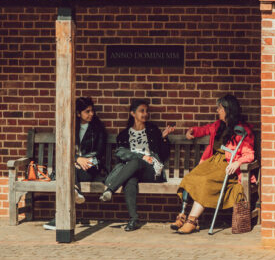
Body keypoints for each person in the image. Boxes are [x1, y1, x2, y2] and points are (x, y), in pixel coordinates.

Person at [171, 94, 254, 234]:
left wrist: (237, 163)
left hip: (227, 165)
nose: (217, 111)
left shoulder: (242, 130)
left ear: (228, 110)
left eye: (220, 108)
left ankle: (192, 220)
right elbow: (204, 129)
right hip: (212, 162)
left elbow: (249, 154)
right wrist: (192, 131)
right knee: (191, 177)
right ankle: (183, 215)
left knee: (205, 181)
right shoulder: (218, 125)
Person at [100, 99, 174, 231]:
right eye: (142, 111)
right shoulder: (123, 135)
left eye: (146, 111)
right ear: (133, 113)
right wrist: (140, 156)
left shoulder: (153, 130)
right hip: (133, 169)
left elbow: (163, 155)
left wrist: (163, 138)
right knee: (130, 179)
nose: (145, 114)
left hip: (151, 170)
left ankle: (110, 190)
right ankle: (133, 219)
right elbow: (120, 153)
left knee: (136, 162)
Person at [44, 97, 108, 231]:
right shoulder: (70, 128)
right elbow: (63, 150)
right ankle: (75, 192)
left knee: (67, 174)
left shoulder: (98, 129)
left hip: (90, 168)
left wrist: (86, 161)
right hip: (73, 167)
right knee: (68, 172)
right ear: (78, 113)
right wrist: (77, 159)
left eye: (92, 111)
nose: (91, 114)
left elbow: (100, 154)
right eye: (87, 111)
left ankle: (59, 219)